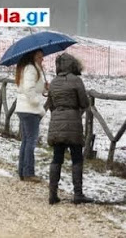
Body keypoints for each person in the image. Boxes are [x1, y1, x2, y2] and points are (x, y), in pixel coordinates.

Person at [46, 53, 93, 205]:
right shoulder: (76, 80)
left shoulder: (53, 82)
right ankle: (78, 194)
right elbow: (85, 102)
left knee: (57, 158)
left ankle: (52, 194)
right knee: (77, 158)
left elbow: (51, 104)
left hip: (57, 122)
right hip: (73, 121)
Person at [14, 50, 49, 182]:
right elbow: (29, 89)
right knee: (31, 141)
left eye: (42, 56)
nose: (42, 59)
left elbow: (34, 87)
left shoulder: (30, 68)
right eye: (39, 56)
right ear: (32, 56)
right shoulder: (31, 68)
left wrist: (45, 88)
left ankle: (22, 171)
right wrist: (36, 102)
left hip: (24, 108)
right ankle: (28, 172)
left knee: (26, 141)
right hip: (29, 109)